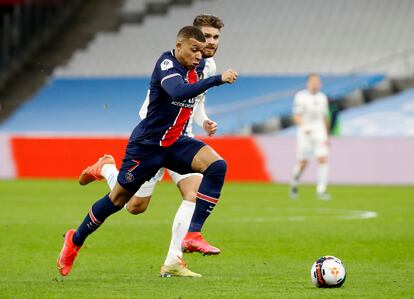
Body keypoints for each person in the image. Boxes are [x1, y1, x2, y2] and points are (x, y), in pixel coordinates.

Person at [57, 25, 238, 277]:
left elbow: (198, 98)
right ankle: (75, 239)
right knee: (123, 203)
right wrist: (218, 80)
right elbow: (178, 91)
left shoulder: (203, 65)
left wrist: (204, 118)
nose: (200, 53)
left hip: (176, 142)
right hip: (147, 146)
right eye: (195, 48)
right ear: (179, 46)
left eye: (207, 45)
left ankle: (192, 236)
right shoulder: (167, 64)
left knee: (217, 166)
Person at [289, 74, 331, 200]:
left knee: (322, 159)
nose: (315, 83)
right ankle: (294, 183)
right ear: (308, 83)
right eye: (313, 81)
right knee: (303, 162)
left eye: (317, 81)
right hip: (305, 132)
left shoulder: (323, 97)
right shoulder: (300, 96)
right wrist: (303, 126)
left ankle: (321, 190)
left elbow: (325, 117)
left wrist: (327, 135)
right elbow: (296, 116)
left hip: (320, 132)